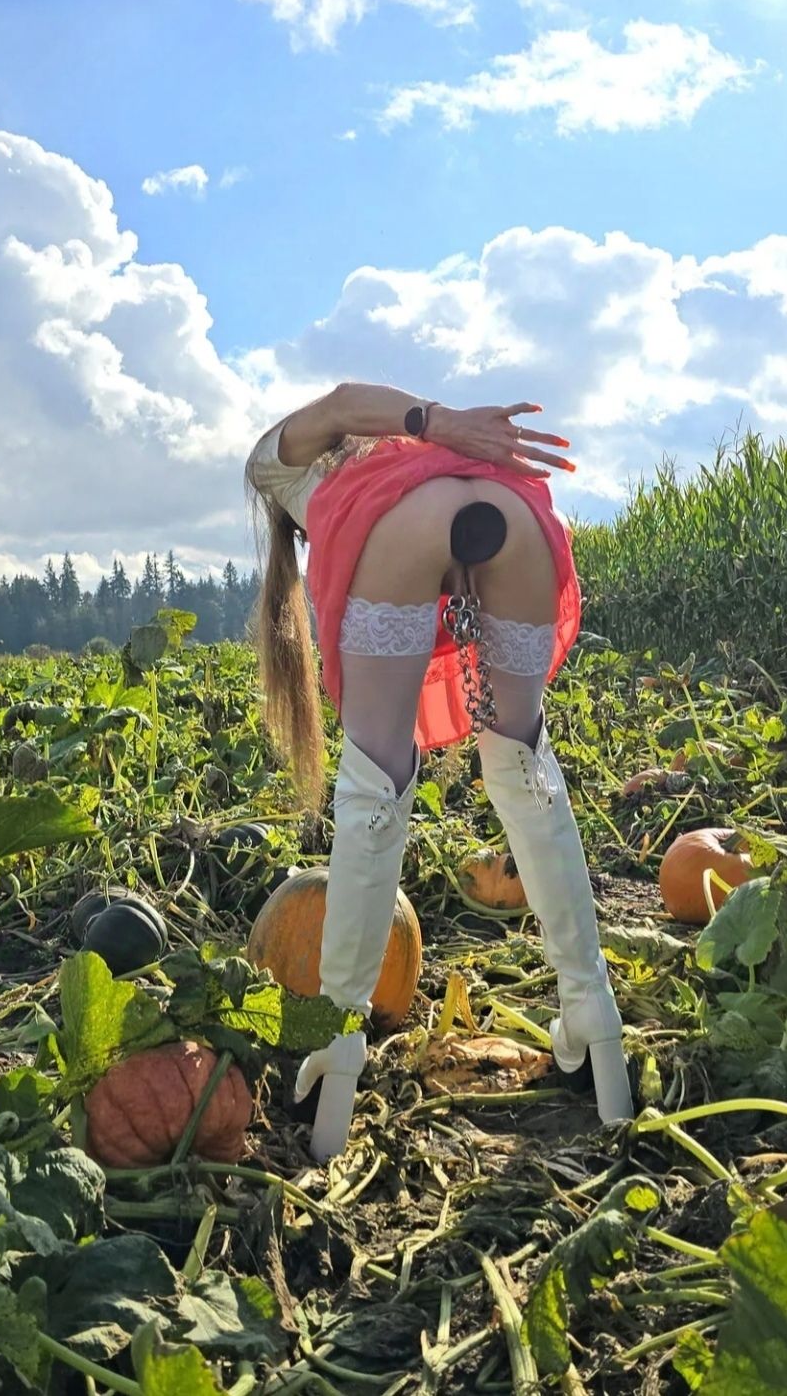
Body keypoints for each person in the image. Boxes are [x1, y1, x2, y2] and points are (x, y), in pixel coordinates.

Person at [243, 381, 631, 1161]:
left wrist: (439, 420)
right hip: (514, 517)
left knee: (377, 776)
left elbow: (338, 402)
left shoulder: (286, 474)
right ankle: (592, 1010)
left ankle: (341, 1039)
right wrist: (441, 429)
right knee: (522, 757)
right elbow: (356, 409)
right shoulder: (419, 455)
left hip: (409, 531)